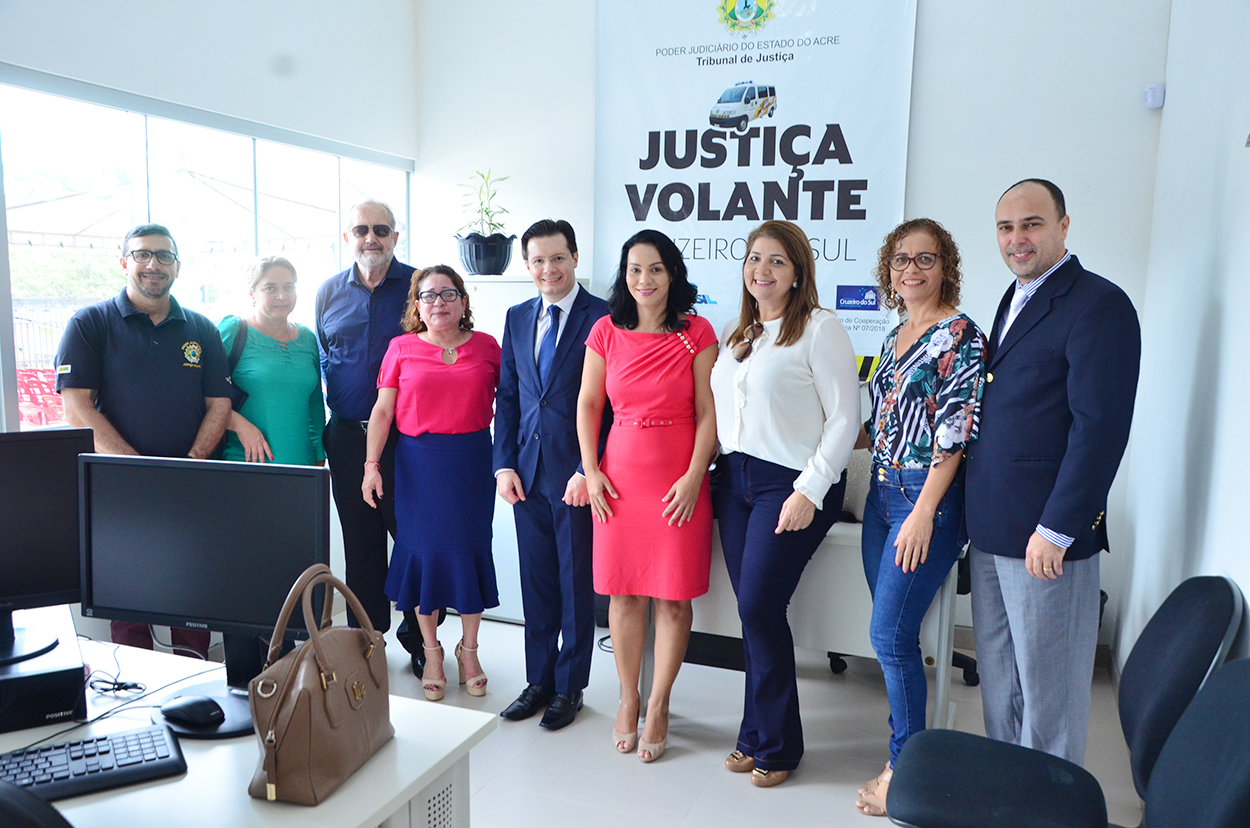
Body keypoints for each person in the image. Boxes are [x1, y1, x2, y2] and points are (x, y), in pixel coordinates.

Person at [964, 179, 1141, 766]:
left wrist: (1059, 527)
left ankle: (1050, 799)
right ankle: (1010, 787)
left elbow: (1100, 428)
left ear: (1064, 226)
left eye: (1032, 224)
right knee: (1002, 681)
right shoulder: (1014, 297)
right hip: (993, 527)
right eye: (1006, 227)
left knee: (1050, 692)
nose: (1017, 238)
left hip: (1046, 534)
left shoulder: (1099, 304)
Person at [708, 219, 860, 788]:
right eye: (754, 258)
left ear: (798, 272)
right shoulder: (737, 332)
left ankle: (778, 745)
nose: (761, 270)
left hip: (791, 482)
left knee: (759, 608)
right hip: (735, 480)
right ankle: (754, 733)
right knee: (751, 612)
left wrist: (809, 490)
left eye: (776, 260)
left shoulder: (821, 328)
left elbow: (845, 420)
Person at [854, 218, 986, 816]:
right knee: (894, 636)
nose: (911, 269)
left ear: (944, 266)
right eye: (901, 259)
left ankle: (903, 767)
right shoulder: (896, 334)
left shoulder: (960, 335)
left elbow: (954, 434)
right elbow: (879, 421)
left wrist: (924, 512)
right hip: (881, 494)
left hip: (922, 498)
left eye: (925, 258)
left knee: (890, 636)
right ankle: (909, 749)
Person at [55, 223, 231, 657]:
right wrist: (138, 467)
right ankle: (136, 683)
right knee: (129, 600)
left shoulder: (202, 329)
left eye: (164, 256)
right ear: (124, 263)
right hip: (121, 488)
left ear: (177, 266)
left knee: (195, 595)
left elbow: (219, 404)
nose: (154, 264)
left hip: (192, 483)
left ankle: (194, 675)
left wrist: (192, 460)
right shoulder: (90, 323)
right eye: (142, 254)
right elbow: (76, 407)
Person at [576, 229, 718, 763]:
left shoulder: (697, 331)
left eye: (655, 268)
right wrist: (591, 471)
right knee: (625, 593)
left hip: (678, 477)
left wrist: (695, 474)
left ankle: (659, 703)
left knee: (674, 597)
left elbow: (708, 412)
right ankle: (628, 697)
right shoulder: (605, 330)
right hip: (619, 478)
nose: (644, 279)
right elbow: (589, 405)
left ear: (672, 273)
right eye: (634, 269)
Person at [362, 265, 501, 702]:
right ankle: (432, 651)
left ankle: (469, 650)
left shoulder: (487, 346)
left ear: (463, 301)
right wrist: (371, 465)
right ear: (417, 306)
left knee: (470, 553)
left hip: (472, 464)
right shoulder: (401, 348)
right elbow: (383, 411)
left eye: (448, 293)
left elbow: (515, 405)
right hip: (418, 466)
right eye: (428, 295)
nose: (438, 302)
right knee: (423, 558)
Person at [493, 220, 610, 730]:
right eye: (538, 260)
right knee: (536, 581)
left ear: (575, 258)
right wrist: (503, 464)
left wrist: (589, 468)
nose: (548, 269)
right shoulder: (518, 316)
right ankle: (537, 680)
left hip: (577, 476)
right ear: (527, 265)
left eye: (558, 258)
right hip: (526, 473)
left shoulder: (603, 316)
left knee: (574, 583)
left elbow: (612, 405)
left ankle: (569, 687)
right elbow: (509, 395)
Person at [316, 201, 424, 671]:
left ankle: (420, 642)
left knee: (414, 542)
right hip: (346, 438)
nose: (371, 237)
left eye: (381, 229)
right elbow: (326, 355)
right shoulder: (328, 292)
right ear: (348, 238)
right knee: (360, 546)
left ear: (396, 236)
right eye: (361, 230)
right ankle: (367, 642)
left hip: (407, 442)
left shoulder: (419, 286)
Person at [218, 256, 325, 466]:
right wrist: (238, 424)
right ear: (252, 294)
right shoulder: (233, 331)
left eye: (289, 287)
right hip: (247, 463)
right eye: (270, 288)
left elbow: (314, 404)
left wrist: (319, 457)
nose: (282, 296)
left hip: (302, 465)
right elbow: (200, 393)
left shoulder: (307, 338)